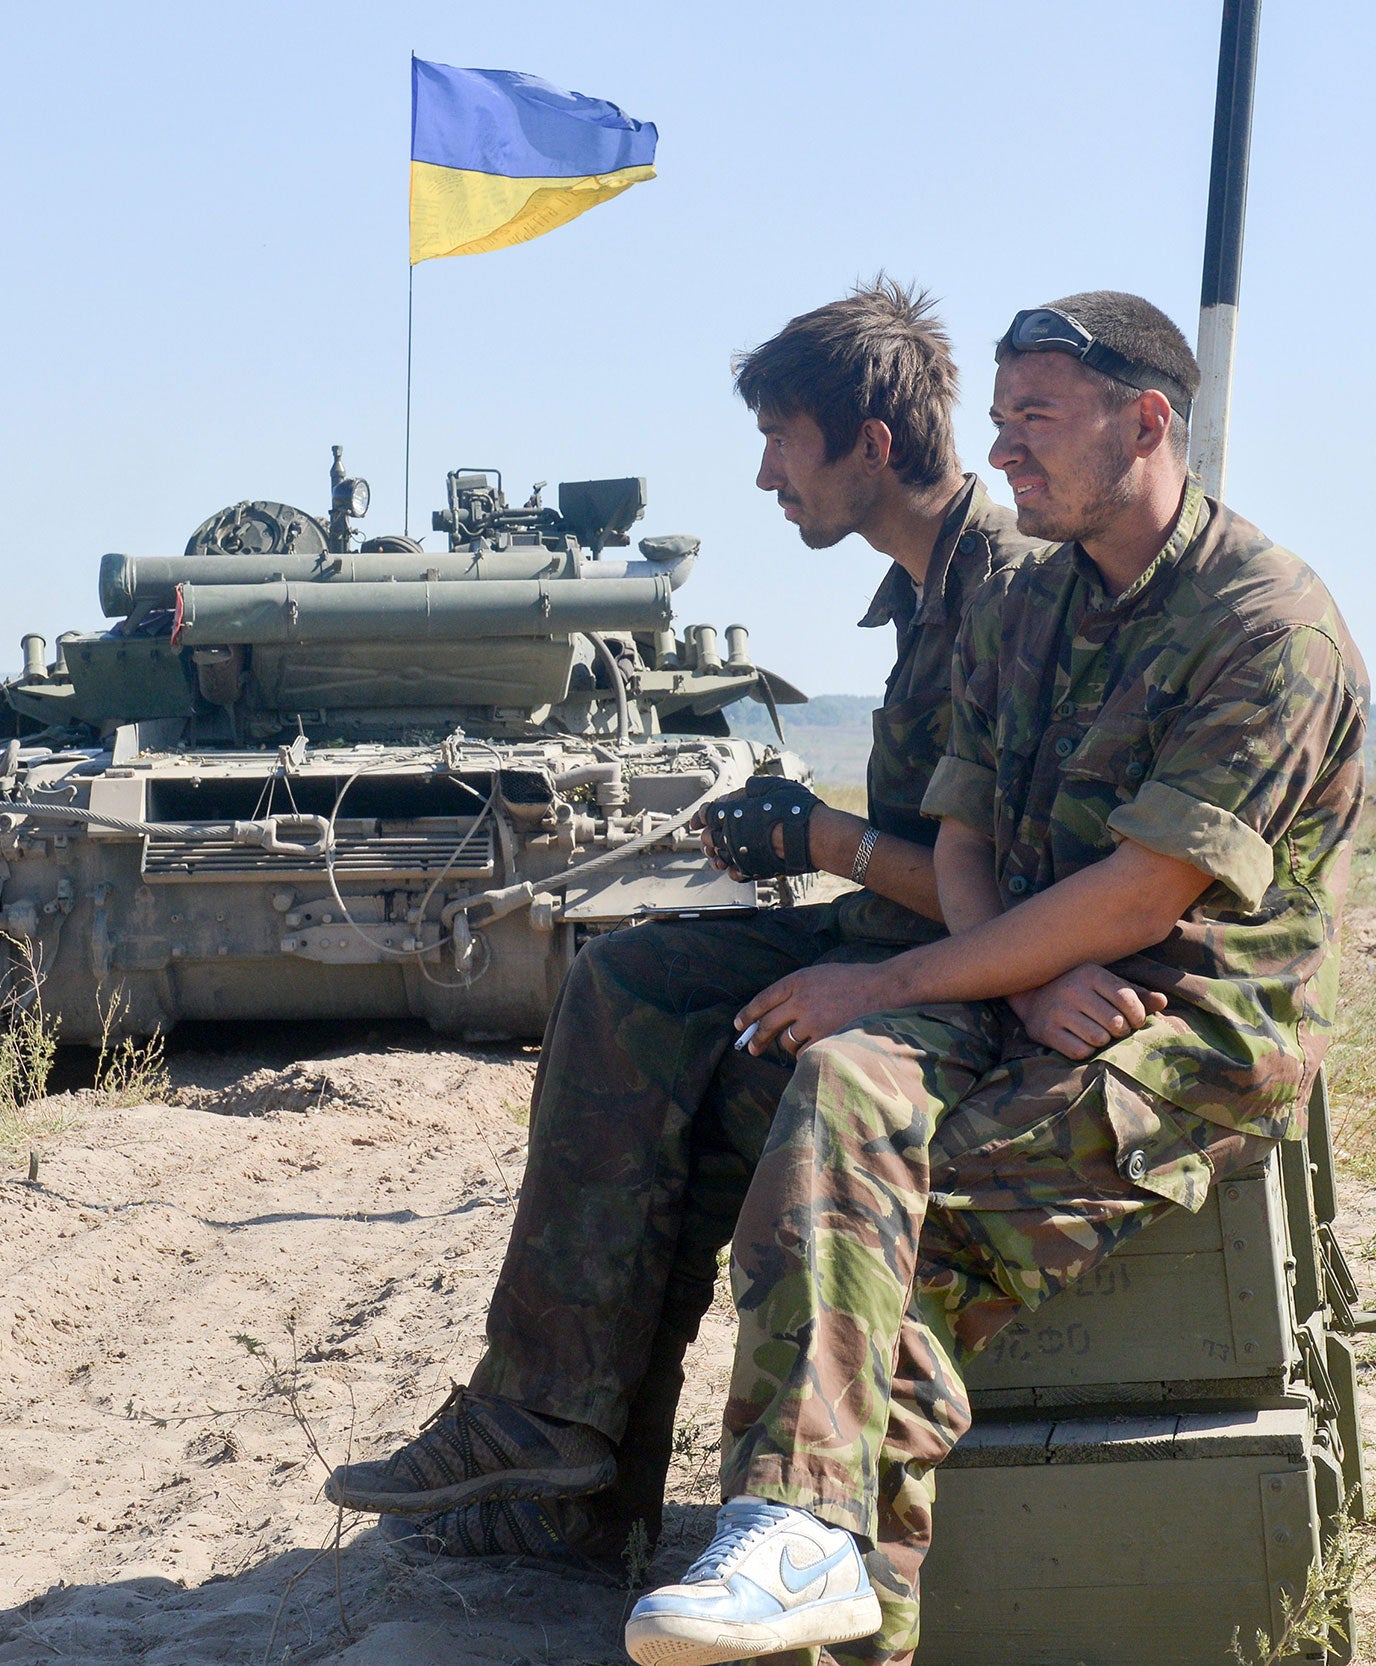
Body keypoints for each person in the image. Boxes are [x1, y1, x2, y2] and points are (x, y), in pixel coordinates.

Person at [622, 290, 1367, 1666]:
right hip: (1035, 984)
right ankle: (804, 1546)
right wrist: (1008, 988)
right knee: (841, 1090)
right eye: (1004, 416)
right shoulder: (1027, 594)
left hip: (1186, 1022)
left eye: (1037, 418)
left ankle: (814, 1559)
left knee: (874, 1241)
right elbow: (966, 834)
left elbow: (1146, 895)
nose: (1004, 449)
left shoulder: (1271, 625)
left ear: (1150, 422)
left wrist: (903, 973)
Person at [324, 280, 1040, 1630]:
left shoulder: (1006, 596)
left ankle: (606, 1477)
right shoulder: (928, 589)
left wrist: (820, 832)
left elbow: (996, 896)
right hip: (887, 924)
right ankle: (543, 1425)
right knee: (627, 981)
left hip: (956, 968)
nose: (766, 474)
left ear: (870, 445)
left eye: (783, 438)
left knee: (727, 1083)